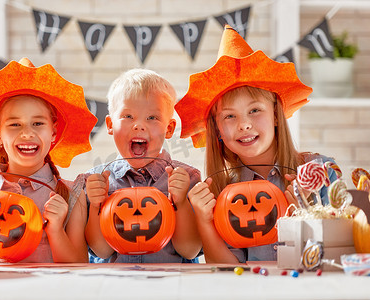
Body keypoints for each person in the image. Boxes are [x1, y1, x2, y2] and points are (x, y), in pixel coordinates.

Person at [175, 26, 339, 263]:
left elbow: (344, 255)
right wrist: (204, 220)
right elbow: (228, 272)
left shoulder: (319, 172)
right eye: (229, 116)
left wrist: (309, 216)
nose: (244, 125)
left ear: (275, 114)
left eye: (254, 110)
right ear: (217, 129)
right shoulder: (221, 191)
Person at [0, 58, 97, 263]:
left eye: (37, 123)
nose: (27, 133)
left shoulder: (72, 195)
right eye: (15, 124)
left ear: (53, 132)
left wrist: (55, 229)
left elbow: (79, 266)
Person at [85, 68, 202, 263]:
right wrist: (96, 206)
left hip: (170, 287)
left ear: (169, 128)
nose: (139, 125)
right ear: (110, 125)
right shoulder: (95, 181)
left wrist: (180, 202)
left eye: (152, 118)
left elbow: (189, 250)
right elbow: (101, 251)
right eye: (128, 116)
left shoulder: (187, 178)